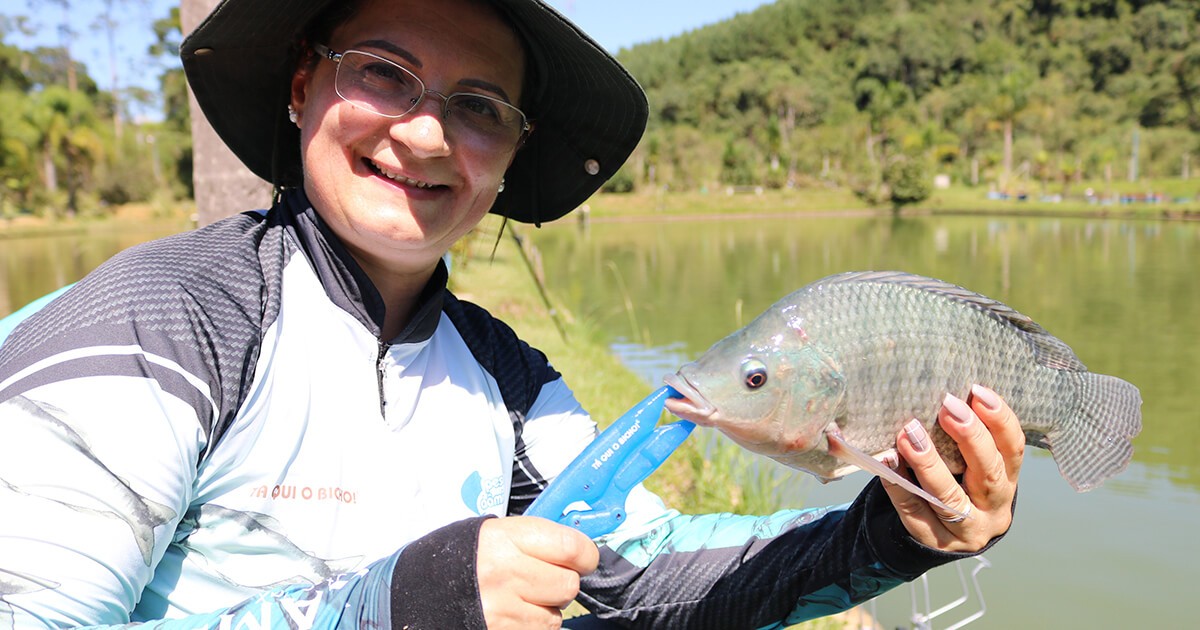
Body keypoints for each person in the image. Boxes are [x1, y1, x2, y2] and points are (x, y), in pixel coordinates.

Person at [0, 0, 1024, 627]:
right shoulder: (162, 325)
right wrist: (391, 613)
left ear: (508, 160)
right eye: (384, 73)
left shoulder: (511, 380)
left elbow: (635, 580)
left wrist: (888, 538)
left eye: (480, 106)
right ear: (304, 86)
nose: (427, 132)